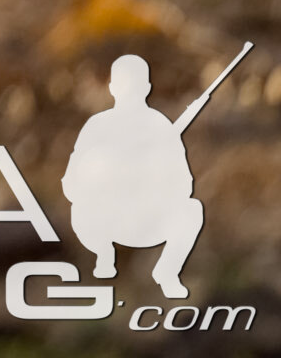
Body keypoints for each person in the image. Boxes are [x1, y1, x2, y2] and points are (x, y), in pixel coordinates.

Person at [65, 53, 211, 299]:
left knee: (192, 209)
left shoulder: (161, 127)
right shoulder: (97, 126)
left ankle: (167, 271)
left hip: (146, 219)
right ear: (111, 88)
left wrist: (153, 176)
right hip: (103, 220)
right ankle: (104, 254)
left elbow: (184, 185)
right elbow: (71, 184)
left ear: (146, 88)